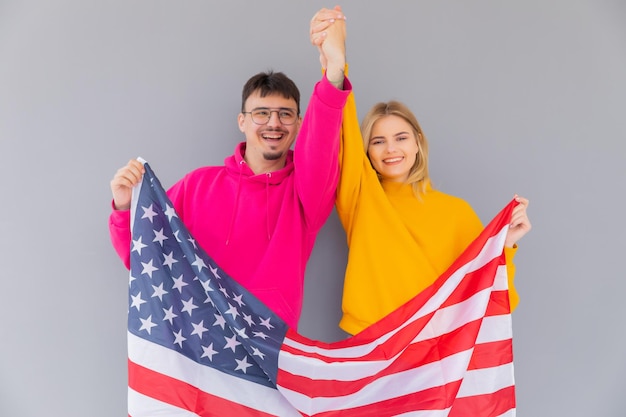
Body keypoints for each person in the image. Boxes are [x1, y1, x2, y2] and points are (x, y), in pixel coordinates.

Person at [109, 8, 350, 330]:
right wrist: (125, 208)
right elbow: (146, 257)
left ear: (299, 125)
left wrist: (334, 70)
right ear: (242, 122)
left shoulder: (305, 194)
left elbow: (321, 145)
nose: (274, 123)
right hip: (200, 343)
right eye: (261, 113)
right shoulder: (197, 186)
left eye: (285, 114)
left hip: (267, 347)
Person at [311, 9, 531, 336]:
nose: (390, 149)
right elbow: (343, 132)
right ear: (367, 152)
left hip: (432, 354)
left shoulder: (457, 213)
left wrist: (508, 246)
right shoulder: (360, 196)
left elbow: (488, 297)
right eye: (378, 141)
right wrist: (336, 64)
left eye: (400, 138)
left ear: (418, 143)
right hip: (372, 348)